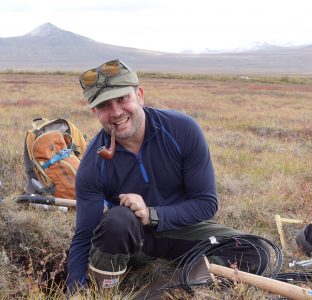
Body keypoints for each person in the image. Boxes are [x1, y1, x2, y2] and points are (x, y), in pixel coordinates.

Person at [66, 59, 269, 295]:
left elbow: (206, 203)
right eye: (104, 105)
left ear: (139, 95)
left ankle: (158, 292)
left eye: (122, 99)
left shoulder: (182, 130)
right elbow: (83, 236)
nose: (116, 112)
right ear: (95, 111)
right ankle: (105, 292)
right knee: (117, 220)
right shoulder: (93, 164)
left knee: (256, 250)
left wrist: (152, 215)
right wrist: (75, 291)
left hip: (183, 229)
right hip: (131, 242)